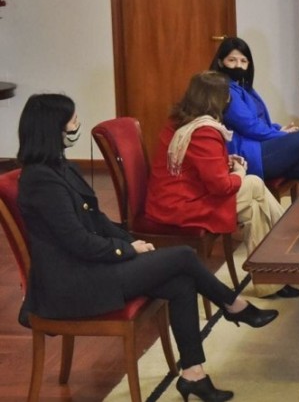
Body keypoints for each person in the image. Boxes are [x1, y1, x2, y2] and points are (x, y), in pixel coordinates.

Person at [16, 93, 279, 402]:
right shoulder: (40, 182)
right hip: (73, 284)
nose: (76, 126)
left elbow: (97, 220)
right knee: (183, 256)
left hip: (91, 268)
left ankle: (193, 374)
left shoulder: (59, 167)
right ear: (53, 128)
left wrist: (131, 242)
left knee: (181, 282)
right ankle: (234, 305)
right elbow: (78, 242)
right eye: (72, 121)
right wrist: (128, 251)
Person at [146, 71, 299, 299]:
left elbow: (194, 165)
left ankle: (272, 279)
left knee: (254, 208)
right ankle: (292, 237)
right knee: (253, 183)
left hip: (171, 198)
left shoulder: (180, 121)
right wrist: (239, 172)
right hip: (182, 206)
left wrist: (225, 161)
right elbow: (220, 186)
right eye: (227, 96)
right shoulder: (204, 131)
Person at [209, 36, 299, 183]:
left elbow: (259, 120)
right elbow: (250, 126)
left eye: (243, 61)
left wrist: (278, 128)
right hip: (247, 156)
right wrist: (280, 134)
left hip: (260, 148)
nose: (238, 65)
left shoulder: (243, 88)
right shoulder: (224, 90)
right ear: (220, 62)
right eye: (232, 60)